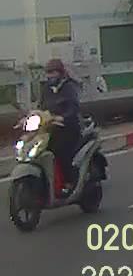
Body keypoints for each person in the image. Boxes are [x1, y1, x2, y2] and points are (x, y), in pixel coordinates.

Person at [39, 59, 82, 197]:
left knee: (60, 152)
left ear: (60, 72)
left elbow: (74, 107)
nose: (51, 75)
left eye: (53, 72)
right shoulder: (46, 89)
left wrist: (63, 117)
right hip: (50, 128)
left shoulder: (69, 87)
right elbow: (40, 107)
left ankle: (68, 182)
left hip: (68, 128)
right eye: (48, 73)